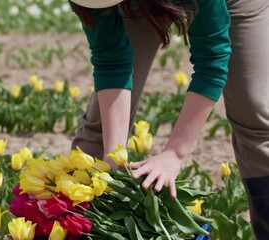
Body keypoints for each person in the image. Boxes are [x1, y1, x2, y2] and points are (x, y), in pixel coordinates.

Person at [69, 0, 269, 239]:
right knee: (100, 130)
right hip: (134, 6)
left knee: (254, 108)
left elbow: (212, 60)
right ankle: (75, 227)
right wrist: (113, 159)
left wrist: (174, 152)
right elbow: (111, 61)